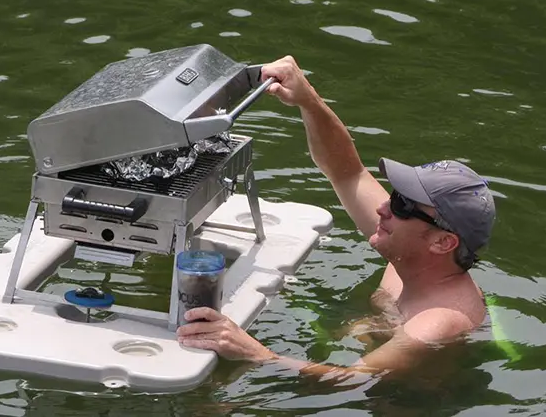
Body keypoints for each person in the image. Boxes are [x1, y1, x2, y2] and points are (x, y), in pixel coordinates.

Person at [176, 55, 497, 380]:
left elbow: (348, 380)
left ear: (443, 242)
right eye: (394, 196)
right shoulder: (411, 250)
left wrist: (254, 352)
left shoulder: (438, 322)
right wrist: (308, 100)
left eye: (402, 205)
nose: (383, 208)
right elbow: (348, 172)